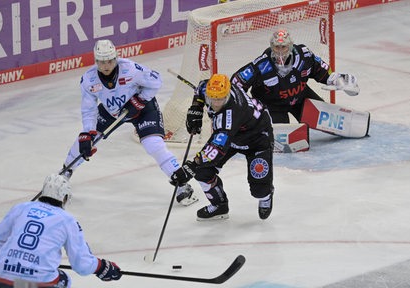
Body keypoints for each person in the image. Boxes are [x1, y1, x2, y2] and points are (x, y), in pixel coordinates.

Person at [60, 39, 198, 206]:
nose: (106, 66)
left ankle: (181, 184)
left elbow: (156, 81)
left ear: (116, 58)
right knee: (84, 141)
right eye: (102, 62)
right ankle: (65, 173)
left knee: (153, 144)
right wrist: (88, 132)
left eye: (110, 61)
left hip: (142, 109)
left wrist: (140, 100)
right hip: (112, 111)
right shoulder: (89, 80)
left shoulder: (131, 69)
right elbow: (89, 109)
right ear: (96, 61)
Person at [169, 74, 275, 221]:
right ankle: (220, 206)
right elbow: (199, 89)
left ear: (227, 94)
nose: (216, 103)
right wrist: (196, 108)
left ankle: (266, 195)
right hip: (232, 136)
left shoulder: (231, 113)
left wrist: (192, 166)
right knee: (203, 172)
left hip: (257, 138)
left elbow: (217, 148)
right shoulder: (208, 88)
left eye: (220, 99)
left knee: (259, 189)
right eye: (213, 98)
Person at [0, 174, 122, 287]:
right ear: (65, 198)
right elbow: (82, 264)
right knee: (64, 280)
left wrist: (20, 259)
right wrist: (102, 267)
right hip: (32, 285)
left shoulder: (21, 208)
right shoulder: (67, 220)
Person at [231, 29, 359, 124]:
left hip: (300, 98)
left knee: (326, 122)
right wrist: (248, 106)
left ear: (291, 46)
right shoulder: (261, 65)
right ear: (272, 46)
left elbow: (325, 73)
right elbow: (236, 84)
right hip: (272, 106)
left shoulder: (305, 56)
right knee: (277, 138)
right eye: (277, 47)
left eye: (284, 47)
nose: (280, 51)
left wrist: (339, 81)